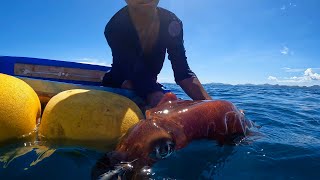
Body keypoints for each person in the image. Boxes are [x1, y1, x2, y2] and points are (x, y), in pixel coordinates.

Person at [102, 0, 212, 107]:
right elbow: (134, 69)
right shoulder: (114, 27)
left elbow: (183, 73)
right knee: (129, 84)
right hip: (120, 80)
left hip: (150, 83)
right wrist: (156, 95)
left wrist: (212, 107)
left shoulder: (171, 22)